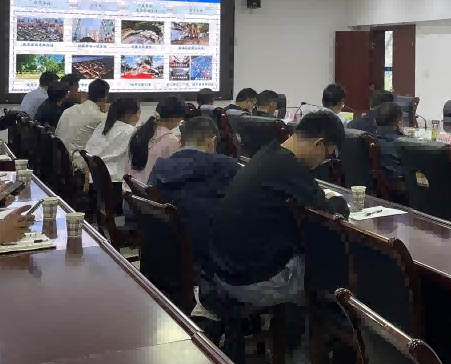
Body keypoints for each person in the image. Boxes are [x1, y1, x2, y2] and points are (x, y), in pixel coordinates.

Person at [205, 111, 349, 364]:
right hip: (252, 282)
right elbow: (329, 213)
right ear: (319, 143)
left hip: (223, 273)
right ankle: (308, 353)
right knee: (329, 273)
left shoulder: (268, 154)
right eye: (328, 155)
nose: (323, 162)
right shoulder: (290, 168)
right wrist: (337, 201)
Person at [148, 116, 240, 265]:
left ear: (181, 141)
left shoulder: (159, 167)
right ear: (211, 142)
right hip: (212, 255)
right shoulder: (226, 166)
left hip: (164, 253)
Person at [124, 96, 185, 189]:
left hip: (129, 191)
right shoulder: (172, 141)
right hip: (149, 195)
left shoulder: (138, 133)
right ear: (175, 118)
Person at [85, 98, 140, 183]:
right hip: (114, 182)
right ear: (130, 115)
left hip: (93, 179)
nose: (138, 118)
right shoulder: (130, 131)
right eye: (138, 114)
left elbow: (87, 152)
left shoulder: (101, 126)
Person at [57, 78, 110, 165]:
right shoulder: (100, 117)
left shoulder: (69, 109)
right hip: (77, 163)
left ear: (88, 94)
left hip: (58, 157)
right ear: (105, 97)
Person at [374, 102, 406, 182]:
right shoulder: (405, 144)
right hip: (401, 186)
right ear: (399, 122)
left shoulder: (370, 140)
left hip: (375, 186)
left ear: (375, 121)